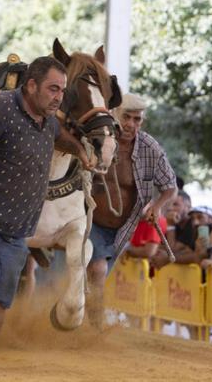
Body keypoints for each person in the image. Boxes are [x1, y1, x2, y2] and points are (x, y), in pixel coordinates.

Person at [0, 56, 91, 369]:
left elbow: (59, 137)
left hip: (18, 228)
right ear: (32, 85)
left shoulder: (47, 121)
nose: (58, 96)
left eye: (61, 91)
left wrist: (80, 151)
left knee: (0, 298)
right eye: (52, 88)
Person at [86, 93, 177, 323]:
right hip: (88, 220)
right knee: (97, 271)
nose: (131, 124)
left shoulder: (150, 147)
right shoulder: (97, 139)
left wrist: (157, 206)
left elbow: (170, 187)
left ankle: (80, 320)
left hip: (123, 228)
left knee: (98, 276)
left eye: (137, 119)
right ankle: (94, 327)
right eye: (127, 117)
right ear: (115, 114)